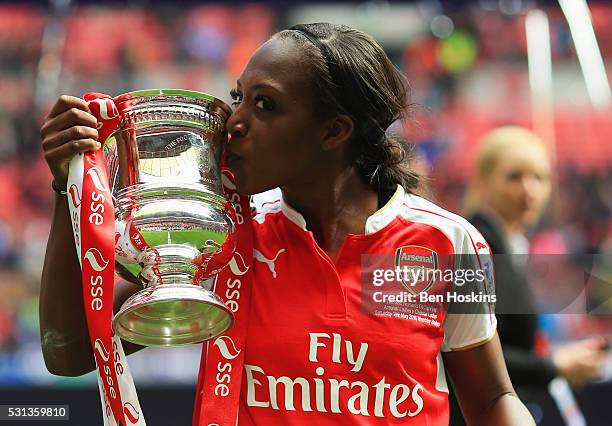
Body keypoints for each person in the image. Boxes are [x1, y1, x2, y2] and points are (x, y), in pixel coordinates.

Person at [39, 23, 534, 425]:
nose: (233, 122)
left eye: (265, 105)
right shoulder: (227, 240)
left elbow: (491, 400)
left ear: (333, 131)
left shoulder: (449, 244)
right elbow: (70, 354)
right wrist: (69, 187)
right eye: (240, 97)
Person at [448, 126, 608, 424]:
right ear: (483, 181)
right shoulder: (475, 245)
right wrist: (553, 366)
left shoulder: (506, 245)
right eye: (514, 176)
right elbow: (465, 352)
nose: (529, 189)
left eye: (540, 178)